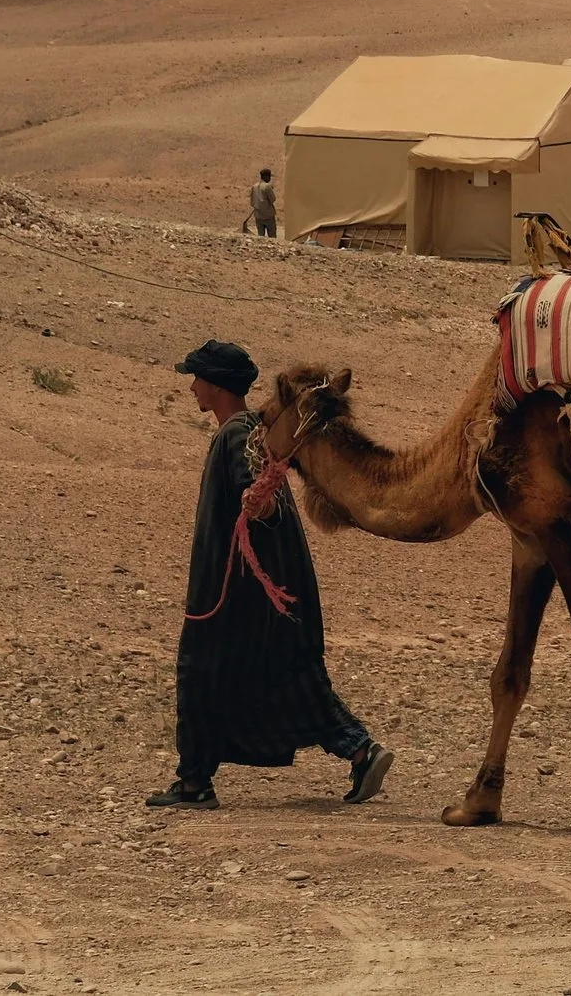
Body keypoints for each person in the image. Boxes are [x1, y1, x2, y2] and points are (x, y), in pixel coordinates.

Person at [147, 340, 392, 811]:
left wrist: (252, 506)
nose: (192, 387)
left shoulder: (237, 435)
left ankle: (195, 782)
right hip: (259, 591)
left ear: (215, 385)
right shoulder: (248, 432)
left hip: (237, 594)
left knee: (199, 672)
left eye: (196, 378)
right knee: (283, 678)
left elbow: (257, 500)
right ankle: (360, 749)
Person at [249, 169, 277, 237]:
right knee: (272, 236)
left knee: (260, 236)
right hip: (268, 216)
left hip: (258, 215)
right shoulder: (267, 187)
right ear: (266, 176)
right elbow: (273, 199)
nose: (270, 179)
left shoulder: (254, 186)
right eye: (269, 177)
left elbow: (252, 202)